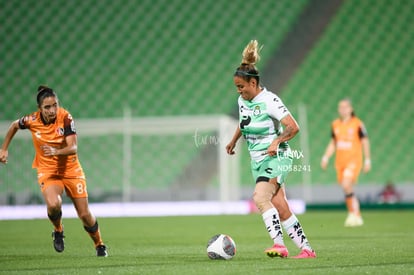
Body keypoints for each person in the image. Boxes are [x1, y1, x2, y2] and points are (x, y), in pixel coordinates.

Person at [226, 40, 316, 259]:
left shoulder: (270, 100)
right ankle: (307, 250)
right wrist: (234, 140)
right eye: (237, 87)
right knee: (280, 206)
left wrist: (276, 142)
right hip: (258, 160)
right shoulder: (242, 101)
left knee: (260, 197)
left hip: (277, 157)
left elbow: (293, 127)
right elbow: (244, 122)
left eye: (242, 86)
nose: (239, 91)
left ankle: (279, 245)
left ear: (254, 83)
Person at [0, 86, 108, 256]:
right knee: (53, 204)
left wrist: (56, 151)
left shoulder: (65, 117)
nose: (52, 110)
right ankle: (58, 230)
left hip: (71, 170)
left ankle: (99, 244)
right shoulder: (31, 120)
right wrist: (4, 149)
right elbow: (14, 125)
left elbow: (73, 147)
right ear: (39, 109)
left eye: (55, 105)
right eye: (47, 107)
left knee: (85, 214)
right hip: (48, 171)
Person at [321, 98, 371, 227]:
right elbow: (333, 142)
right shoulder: (335, 124)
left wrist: (367, 160)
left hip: (354, 160)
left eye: (345, 107)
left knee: (346, 184)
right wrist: (326, 157)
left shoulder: (357, 124)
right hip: (340, 162)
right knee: (346, 188)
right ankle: (355, 213)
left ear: (351, 109)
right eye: (340, 107)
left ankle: (353, 213)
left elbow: (365, 141)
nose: (342, 110)